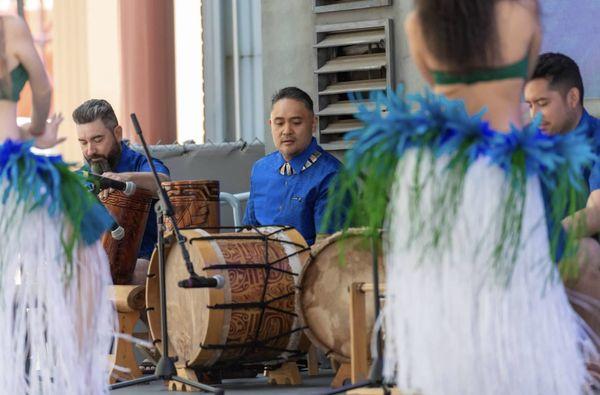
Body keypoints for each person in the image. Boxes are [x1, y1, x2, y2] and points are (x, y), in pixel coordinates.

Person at [327, 1, 598, 393]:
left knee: (448, 298)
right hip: (500, 156)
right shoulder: (519, 12)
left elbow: (426, 65)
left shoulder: (420, 18)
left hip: (438, 160)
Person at [0, 14, 115, 394]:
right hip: (13, 165)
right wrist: (36, 133)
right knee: (86, 256)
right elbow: (44, 91)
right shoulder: (9, 27)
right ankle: (78, 370)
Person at [73, 99, 171, 284]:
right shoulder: (80, 177)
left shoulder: (139, 164)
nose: (90, 150)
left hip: (143, 260)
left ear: (117, 133)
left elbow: (163, 181)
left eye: (97, 139)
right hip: (90, 266)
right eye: (83, 142)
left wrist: (125, 179)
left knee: (130, 272)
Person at [243, 87, 342, 245]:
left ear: (313, 123)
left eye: (296, 122)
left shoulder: (331, 175)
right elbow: (247, 232)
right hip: (260, 265)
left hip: (307, 267)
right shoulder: (260, 169)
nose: (286, 131)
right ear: (270, 125)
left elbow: (327, 251)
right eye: (279, 123)